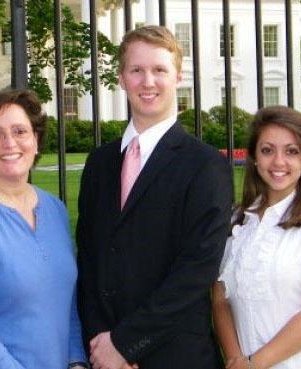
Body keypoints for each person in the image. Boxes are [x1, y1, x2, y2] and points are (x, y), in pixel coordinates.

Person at [76, 25, 233, 369]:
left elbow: (197, 270)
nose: (148, 81)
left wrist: (126, 344)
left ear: (177, 76)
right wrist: (102, 344)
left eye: (159, 70)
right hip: (104, 354)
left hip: (175, 355)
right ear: (121, 78)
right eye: (137, 70)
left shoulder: (205, 165)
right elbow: (88, 260)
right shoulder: (99, 163)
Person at [0, 89, 88, 369]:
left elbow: (67, 305)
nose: (9, 143)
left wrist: (77, 360)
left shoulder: (55, 210)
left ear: (36, 140)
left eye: (20, 131)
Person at [212, 106, 301, 369]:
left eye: (291, 151)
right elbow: (220, 300)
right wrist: (234, 360)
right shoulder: (236, 222)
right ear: (253, 157)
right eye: (267, 150)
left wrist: (254, 364)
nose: (278, 162)